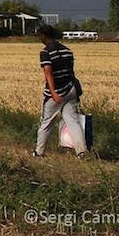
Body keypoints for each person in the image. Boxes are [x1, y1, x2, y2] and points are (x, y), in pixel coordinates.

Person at [32, 25, 87, 158]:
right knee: (73, 121)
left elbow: (48, 72)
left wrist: (53, 93)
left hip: (57, 91)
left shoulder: (46, 52)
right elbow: (70, 72)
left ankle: (39, 152)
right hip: (71, 89)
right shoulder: (67, 50)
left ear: (44, 36)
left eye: (40, 36)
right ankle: (82, 151)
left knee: (46, 122)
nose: (40, 39)